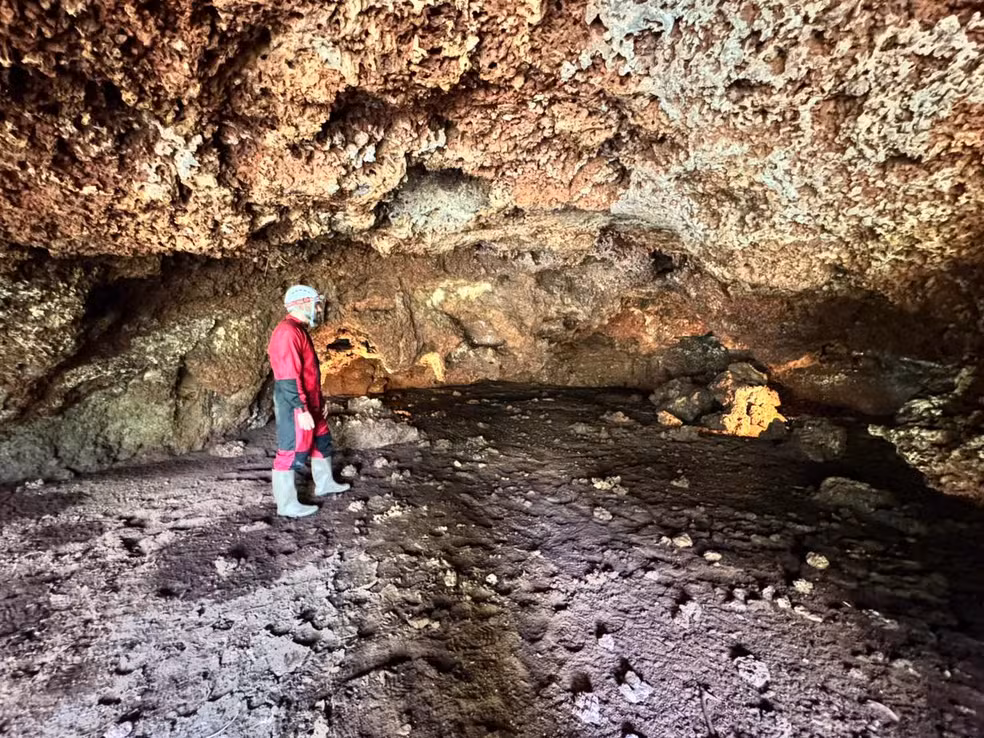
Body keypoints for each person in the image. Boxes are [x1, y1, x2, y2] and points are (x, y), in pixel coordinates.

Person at [267, 285, 350, 517]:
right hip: (295, 404)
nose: (319, 309)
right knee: (291, 449)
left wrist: (318, 402)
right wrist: (300, 408)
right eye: (315, 304)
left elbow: (308, 373)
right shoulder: (287, 333)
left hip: (310, 401)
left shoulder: (298, 330)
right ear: (302, 303)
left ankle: (325, 484)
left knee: (321, 440)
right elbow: (288, 376)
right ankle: (286, 504)